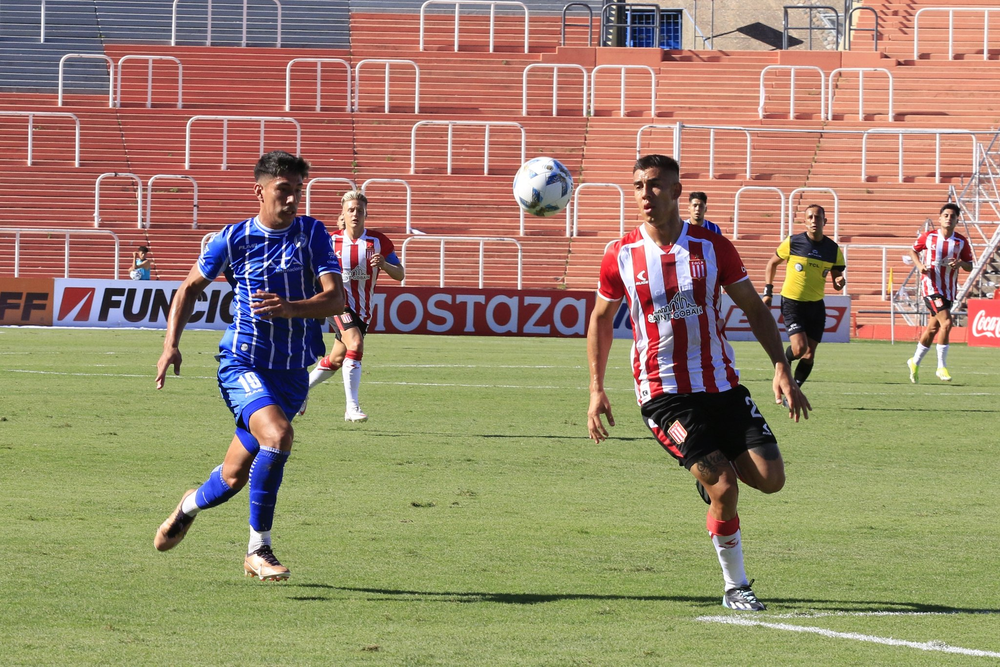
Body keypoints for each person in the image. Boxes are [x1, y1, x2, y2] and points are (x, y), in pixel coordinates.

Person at [587, 154, 810, 612]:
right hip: (664, 393)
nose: (644, 195)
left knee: (771, 480)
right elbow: (601, 318)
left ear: (675, 192)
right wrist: (596, 388)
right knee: (725, 488)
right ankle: (736, 586)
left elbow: (752, 307)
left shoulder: (712, 247)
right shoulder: (621, 255)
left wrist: (780, 367)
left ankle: (710, 479)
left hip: (722, 386)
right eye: (637, 186)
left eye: (653, 185)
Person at [153, 150, 345, 581]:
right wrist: (171, 345)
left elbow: (336, 299)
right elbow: (188, 288)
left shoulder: (313, 234)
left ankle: (187, 505)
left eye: (298, 190)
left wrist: (292, 307)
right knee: (278, 435)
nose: (293, 199)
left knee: (234, 477)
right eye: (284, 190)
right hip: (243, 361)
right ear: (259, 191)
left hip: (293, 371)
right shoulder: (233, 238)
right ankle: (259, 549)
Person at [300, 190, 404, 422]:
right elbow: (312, 272)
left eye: (359, 210)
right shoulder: (330, 242)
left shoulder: (379, 242)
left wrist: (385, 265)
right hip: (337, 303)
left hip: (363, 310)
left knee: (337, 359)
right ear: (343, 214)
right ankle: (352, 407)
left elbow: (400, 274)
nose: (355, 213)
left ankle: (300, 390)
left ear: (366, 213)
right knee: (355, 343)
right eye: (351, 210)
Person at [762, 204, 846, 387]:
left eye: (818, 217)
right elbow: (772, 264)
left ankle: (794, 388)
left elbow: (837, 276)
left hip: (816, 305)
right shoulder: (793, 242)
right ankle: (782, 365)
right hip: (793, 302)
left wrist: (839, 280)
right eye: (810, 217)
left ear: (825, 221)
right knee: (799, 349)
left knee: (809, 354)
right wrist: (768, 292)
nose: (814, 221)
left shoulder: (833, 249)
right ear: (805, 221)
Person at [906, 203, 974, 383]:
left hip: (949, 290)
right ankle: (941, 366)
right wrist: (920, 266)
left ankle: (914, 361)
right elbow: (913, 250)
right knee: (947, 323)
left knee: (933, 328)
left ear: (957, 219)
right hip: (930, 287)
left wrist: (960, 263)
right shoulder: (928, 237)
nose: (949, 218)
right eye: (946, 215)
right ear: (940, 218)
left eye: (952, 216)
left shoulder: (960, 242)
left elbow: (970, 265)